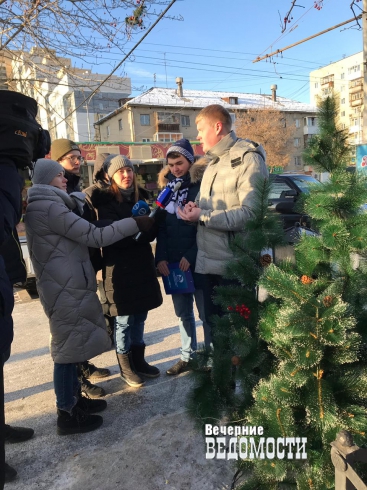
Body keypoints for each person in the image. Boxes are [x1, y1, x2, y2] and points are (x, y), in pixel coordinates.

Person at [24, 158, 154, 434]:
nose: (65, 178)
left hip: (66, 283)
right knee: (65, 351)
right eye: (60, 175)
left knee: (70, 346)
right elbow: (94, 236)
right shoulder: (48, 207)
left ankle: (74, 401)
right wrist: (134, 222)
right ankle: (67, 413)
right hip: (63, 286)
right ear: (48, 179)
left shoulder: (51, 204)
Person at [177, 104, 268, 334]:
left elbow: (250, 214)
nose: (197, 136)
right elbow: (204, 205)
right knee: (215, 332)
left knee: (240, 338)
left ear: (217, 127)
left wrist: (203, 216)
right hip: (208, 265)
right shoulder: (212, 163)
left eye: (200, 129)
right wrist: (193, 209)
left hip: (234, 268)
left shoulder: (248, 159)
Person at [86, 154, 162, 388]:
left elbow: (149, 234)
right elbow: (112, 236)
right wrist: (136, 226)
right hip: (119, 270)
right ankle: (126, 367)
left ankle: (139, 361)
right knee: (124, 320)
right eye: (121, 172)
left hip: (141, 266)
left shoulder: (141, 198)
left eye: (129, 171)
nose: (127, 176)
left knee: (140, 316)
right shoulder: (105, 203)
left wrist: (149, 224)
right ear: (111, 177)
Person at [51, 140, 109, 397]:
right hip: (65, 271)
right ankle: (76, 382)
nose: (78, 161)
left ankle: (82, 366)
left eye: (79, 156)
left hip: (82, 265)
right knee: (70, 328)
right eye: (71, 158)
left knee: (82, 320)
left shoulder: (73, 188)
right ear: (57, 162)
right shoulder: (56, 193)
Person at [155, 139, 211, 375]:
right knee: (183, 314)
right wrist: (161, 258)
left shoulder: (201, 187)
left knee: (205, 313)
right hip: (175, 265)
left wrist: (192, 254)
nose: (176, 168)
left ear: (190, 161)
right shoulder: (166, 192)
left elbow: (206, 227)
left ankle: (209, 358)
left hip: (198, 261)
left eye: (180, 163)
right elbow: (162, 229)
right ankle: (187, 356)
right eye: (171, 165)